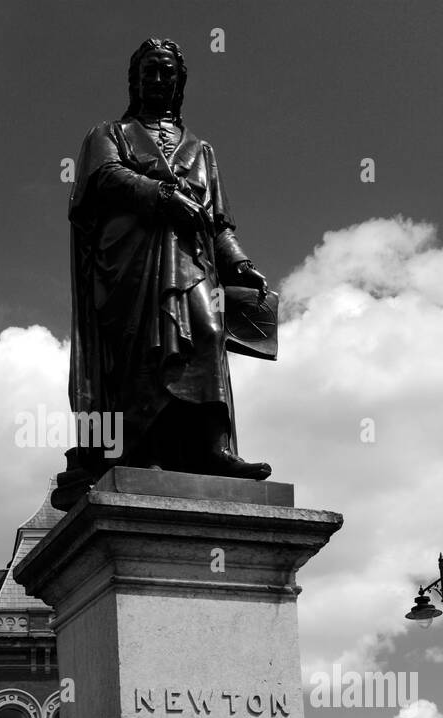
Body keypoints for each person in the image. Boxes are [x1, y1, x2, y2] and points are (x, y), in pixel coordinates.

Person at [63, 38, 274, 499]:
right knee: (142, 350)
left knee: (208, 330)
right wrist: (161, 197)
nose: (158, 80)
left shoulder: (202, 150)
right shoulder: (109, 134)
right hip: (130, 266)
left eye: (167, 73)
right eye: (149, 72)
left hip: (189, 262)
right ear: (135, 81)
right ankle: (141, 449)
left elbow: (217, 221)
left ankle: (211, 446)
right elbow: (104, 178)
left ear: (179, 83)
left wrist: (240, 263)